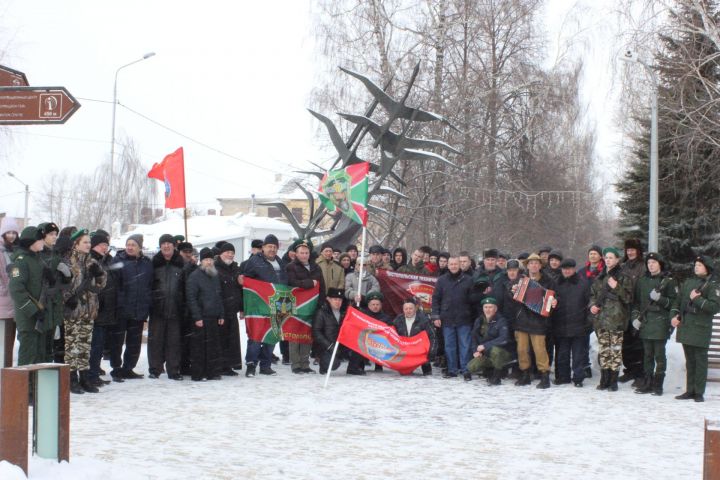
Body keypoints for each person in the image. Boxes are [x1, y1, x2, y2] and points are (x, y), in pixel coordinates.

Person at [62, 229, 107, 394]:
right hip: (73, 311)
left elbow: (101, 285)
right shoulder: (67, 262)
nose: (88, 245)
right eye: (85, 242)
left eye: (89, 242)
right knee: (72, 347)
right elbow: (62, 285)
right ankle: (72, 379)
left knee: (84, 347)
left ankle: (84, 378)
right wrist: (68, 298)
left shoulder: (91, 262)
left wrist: (100, 274)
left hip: (89, 310)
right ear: (76, 244)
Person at [671, 256, 720, 402]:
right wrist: (674, 315)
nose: (696, 267)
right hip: (686, 326)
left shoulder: (713, 285)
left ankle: (699, 392)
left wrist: (697, 299)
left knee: (700, 361)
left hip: (701, 328)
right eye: (695, 264)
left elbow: (714, 307)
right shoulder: (688, 282)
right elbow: (678, 301)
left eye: (699, 265)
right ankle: (690, 390)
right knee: (690, 360)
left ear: (707, 268)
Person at [631, 252, 677, 396]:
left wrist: (660, 299)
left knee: (659, 355)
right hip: (645, 322)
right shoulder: (642, 281)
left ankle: (658, 385)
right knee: (647, 355)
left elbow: (673, 303)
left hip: (660, 323)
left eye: (654, 262)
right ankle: (648, 382)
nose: (651, 265)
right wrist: (635, 318)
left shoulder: (668, 281)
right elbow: (637, 302)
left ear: (660, 264)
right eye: (649, 263)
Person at [241, 233, 287, 376]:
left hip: (278, 305)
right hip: (258, 306)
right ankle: (251, 365)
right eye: (269, 246)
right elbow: (244, 280)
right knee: (256, 336)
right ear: (263, 248)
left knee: (272, 336)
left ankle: (265, 365)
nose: (272, 249)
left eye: (274, 247)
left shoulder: (281, 263)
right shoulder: (254, 261)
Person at [589, 247, 633, 392]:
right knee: (604, 350)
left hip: (616, 320)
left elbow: (629, 298)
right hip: (601, 320)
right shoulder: (600, 276)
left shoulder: (623, 277)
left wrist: (617, 287)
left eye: (611, 257)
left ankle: (613, 380)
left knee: (615, 351)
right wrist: (592, 307)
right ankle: (604, 379)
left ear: (617, 259)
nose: (608, 260)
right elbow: (592, 295)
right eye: (606, 257)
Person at [110, 234, 153, 380]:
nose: (130, 247)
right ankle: (116, 368)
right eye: (128, 244)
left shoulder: (147, 263)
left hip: (139, 309)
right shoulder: (117, 261)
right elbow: (113, 285)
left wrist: (147, 303)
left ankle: (128, 368)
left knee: (134, 342)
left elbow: (150, 286)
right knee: (117, 341)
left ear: (140, 247)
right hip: (121, 309)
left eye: (133, 245)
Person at [512, 253, 557, 389]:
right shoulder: (521, 279)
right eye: (531, 263)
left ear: (540, 265)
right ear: (527, 265)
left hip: (539, 321)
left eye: (536, 263)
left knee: (539, 349)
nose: (534, 265)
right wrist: (512, 290)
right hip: (522, 319)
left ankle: (544, 376)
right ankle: (525, 374)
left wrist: (555, 301)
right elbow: (512, 296)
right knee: (522, 349)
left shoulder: (548, 280)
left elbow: (554, 297)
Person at [8, 227, 48, 366]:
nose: (43, 241)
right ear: (31, 242)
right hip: (28, 316)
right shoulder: (21, 261)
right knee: (28, 357)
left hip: (40, 314)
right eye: (40, 239)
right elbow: (16, 289)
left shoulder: (37, 259)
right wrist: (33, 310)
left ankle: (36, 386)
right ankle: (25, 387)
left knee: (39, 356)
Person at [148, 234, 186, 380]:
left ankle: (174, 370)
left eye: (169, 243)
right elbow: (148, 285)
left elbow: (185, 286)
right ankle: (155, 369)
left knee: (174, 342)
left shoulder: (180, 263)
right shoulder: (154, 262)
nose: (166, 246)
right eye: (163, 243)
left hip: (176, 308)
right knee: (155, 341)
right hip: (157, 308)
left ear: (173, 246)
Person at [431, 256, 474, 380]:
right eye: (451, 264)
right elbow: (435, 299)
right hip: (447, 318)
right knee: (449, 345)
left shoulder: (468, 280)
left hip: (464, 318)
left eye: (456, 264)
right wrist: (436, 316)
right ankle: (452, 369)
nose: (454, 266)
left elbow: (473, 299)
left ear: (460, 265)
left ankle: (466, 370)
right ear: (448, 266)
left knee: (465, 345)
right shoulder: (442, 280)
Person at [285, 239, 323, 374]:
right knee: (295, 335)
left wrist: (321, 303)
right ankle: (296, 364)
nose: (304, 255)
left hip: (311, 306)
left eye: (306, 253)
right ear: (296, 253)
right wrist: (308, 283)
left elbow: (321, 286)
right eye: (301, 253)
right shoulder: (290, 267)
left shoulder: (316, 267)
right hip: (296, 305)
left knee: (307, 335)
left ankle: (305, 364)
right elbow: (291, 283)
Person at [186, 248, 224, 381]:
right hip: (201, 318)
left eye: (210, 260)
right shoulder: (194, 276)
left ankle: (213, 372)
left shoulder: (215, 275)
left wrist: (221, 314)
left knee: (213, 347)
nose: (208, 262)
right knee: (199, 347)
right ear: (201, 261)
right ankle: (199, 373)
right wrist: (197, 317)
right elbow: (191, 298)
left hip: (213, 317)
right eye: (206, 260)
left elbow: (219, 296)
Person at [552, 259, 590, 387]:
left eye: (569, 268)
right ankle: (564, 377)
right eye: (564, 269)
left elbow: (589, 304)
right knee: (563, 354)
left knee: (578, 355)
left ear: (574, 269)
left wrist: (587, 324)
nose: (566, 271)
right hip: (560, 324)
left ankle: (578, 378)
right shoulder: (556, 283)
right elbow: (551, 300)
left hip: (579, 325)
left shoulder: (583, 283)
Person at [87, 231, 118, 387]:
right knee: (94, 345)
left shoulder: (104, 260)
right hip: (95, 309)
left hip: (106, 310)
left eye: (106, 245)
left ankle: (94, 373)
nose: (105, 248)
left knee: (99, 346)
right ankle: (90, 375)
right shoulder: (91, 261)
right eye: (102, 245)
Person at [313, 287, 365, 375]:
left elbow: (356, 314)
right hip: (327, 347)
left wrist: (357, 303)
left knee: (359, 344)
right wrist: (329, 346)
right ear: (328, 299)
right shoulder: (321, 313)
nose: (337, 302)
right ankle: (323, 365)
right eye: (335, 299)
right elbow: (316, 332)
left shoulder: (344, 311)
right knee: (334, 364)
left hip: (342, 344)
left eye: (340, 300)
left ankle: (352, 368)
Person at [467, 297, 513, 385]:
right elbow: (473, 337)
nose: (488, 310)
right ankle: (490, 370)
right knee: (471, 367)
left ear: (495, 309)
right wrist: (475, 351)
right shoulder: (479, 320)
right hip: (486, 353)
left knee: (496, 351)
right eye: (486, 307)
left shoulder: (501, 320)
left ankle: (497, 376)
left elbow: (504, 338)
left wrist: (485, 346)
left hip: (502, 352)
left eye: (490, 307)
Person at [619, 238, 645, 385]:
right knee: (626, 342)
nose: (630, 252)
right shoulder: (623, 266)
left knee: (638, 344)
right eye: (628, 250)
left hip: (638, 307)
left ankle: (639, 373)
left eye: (632, 249)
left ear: (638, 251)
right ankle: (629, 370)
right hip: (624, 309)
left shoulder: (643, 266)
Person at [214, 242, 243, 376]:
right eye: (227, 252)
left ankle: (228, 366)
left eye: (232, 253)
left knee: (231, 341)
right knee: (220, 340)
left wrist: (242, 308)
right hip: (220, 311)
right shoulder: (215, 268)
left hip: (232, 311)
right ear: (221, 254)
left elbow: (240, 289)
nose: (230, 255)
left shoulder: (236, 269)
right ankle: (219, 366)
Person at [392, 298, 435, 375]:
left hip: (419, 349)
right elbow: (391, 335)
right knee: (404, 374)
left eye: (411, 308)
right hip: (404, 350)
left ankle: (427, 369)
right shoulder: (397, 320)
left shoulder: (424, 320)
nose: (408, 311)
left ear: (415, 309)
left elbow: (432, 336)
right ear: (403, 310)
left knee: (427, 375)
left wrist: (431, 352)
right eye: (406, 309)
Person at [0, 217, 19, 367]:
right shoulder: (1, 251)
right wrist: (5, 290)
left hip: (15, 303)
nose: (11, 235)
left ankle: (6, 374)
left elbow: (16, 274)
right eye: (8, 232)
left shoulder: (15, 251)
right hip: (3, 304)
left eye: (14, 232)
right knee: (3, 344)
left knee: (10, 344)